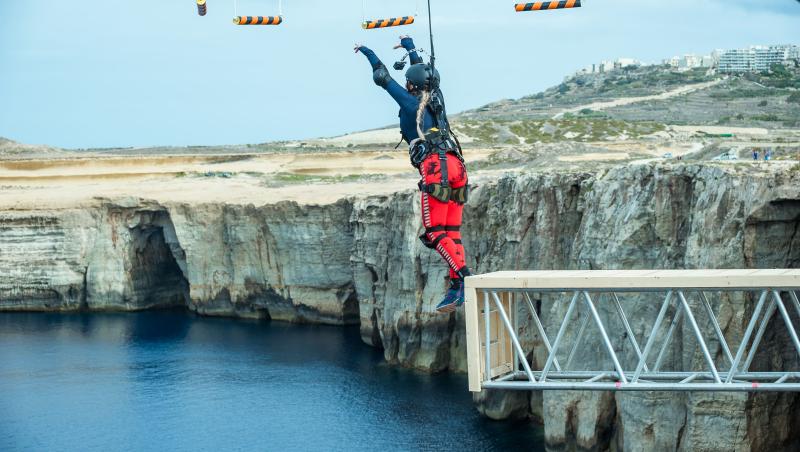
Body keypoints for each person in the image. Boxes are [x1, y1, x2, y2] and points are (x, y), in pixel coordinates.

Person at [354, 36, 471, 313]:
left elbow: (382, 77)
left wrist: (368, 52)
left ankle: (464, 280)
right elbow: (426, 75)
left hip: (435, 168)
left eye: (408, 81)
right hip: (457, 166)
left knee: (434, 231)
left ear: (413, 86)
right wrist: (409, 46)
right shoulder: (437, 98)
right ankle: (456, 285)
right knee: (451, 232)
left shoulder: (409, 103)